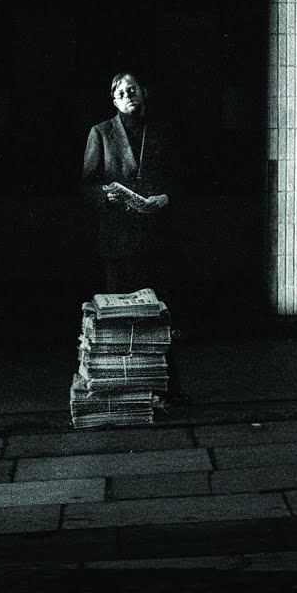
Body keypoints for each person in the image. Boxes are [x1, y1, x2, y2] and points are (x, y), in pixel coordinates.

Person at [81, 72, 188, 405]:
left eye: (132, 89)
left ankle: (165, 389)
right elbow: (87, 184)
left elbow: (180, 179)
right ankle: (123, 392)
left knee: (159, 315)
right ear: (113, 100)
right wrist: (105, 195)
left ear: (144, 92)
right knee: (119, 318)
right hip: (118, 239)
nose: (127, 95)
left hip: (155, 237)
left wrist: (165, 198)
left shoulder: (163, 132)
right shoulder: (101, 132)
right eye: (120, 92)